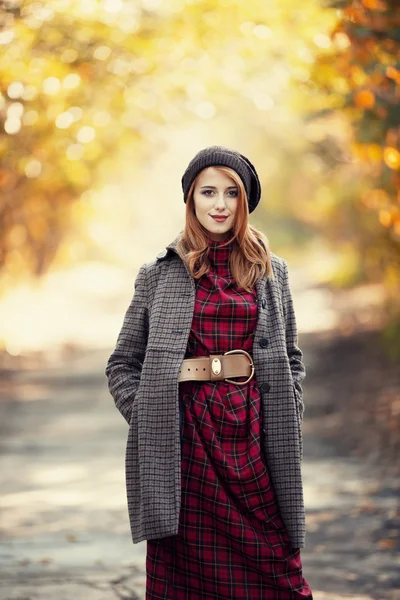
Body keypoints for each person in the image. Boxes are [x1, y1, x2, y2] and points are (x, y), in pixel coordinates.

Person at [105, 145, 313, 599]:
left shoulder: (270, 272)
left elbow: (291, 358)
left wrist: (285, 415)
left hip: (253, 442)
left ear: (245, 201)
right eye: (208, 192)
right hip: (184, 447)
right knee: (185, 581)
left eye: (231, 193)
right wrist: (149, 417)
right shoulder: (157, 274)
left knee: (279, 575)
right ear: (191, 200)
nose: (219, 204)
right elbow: (123, 363)